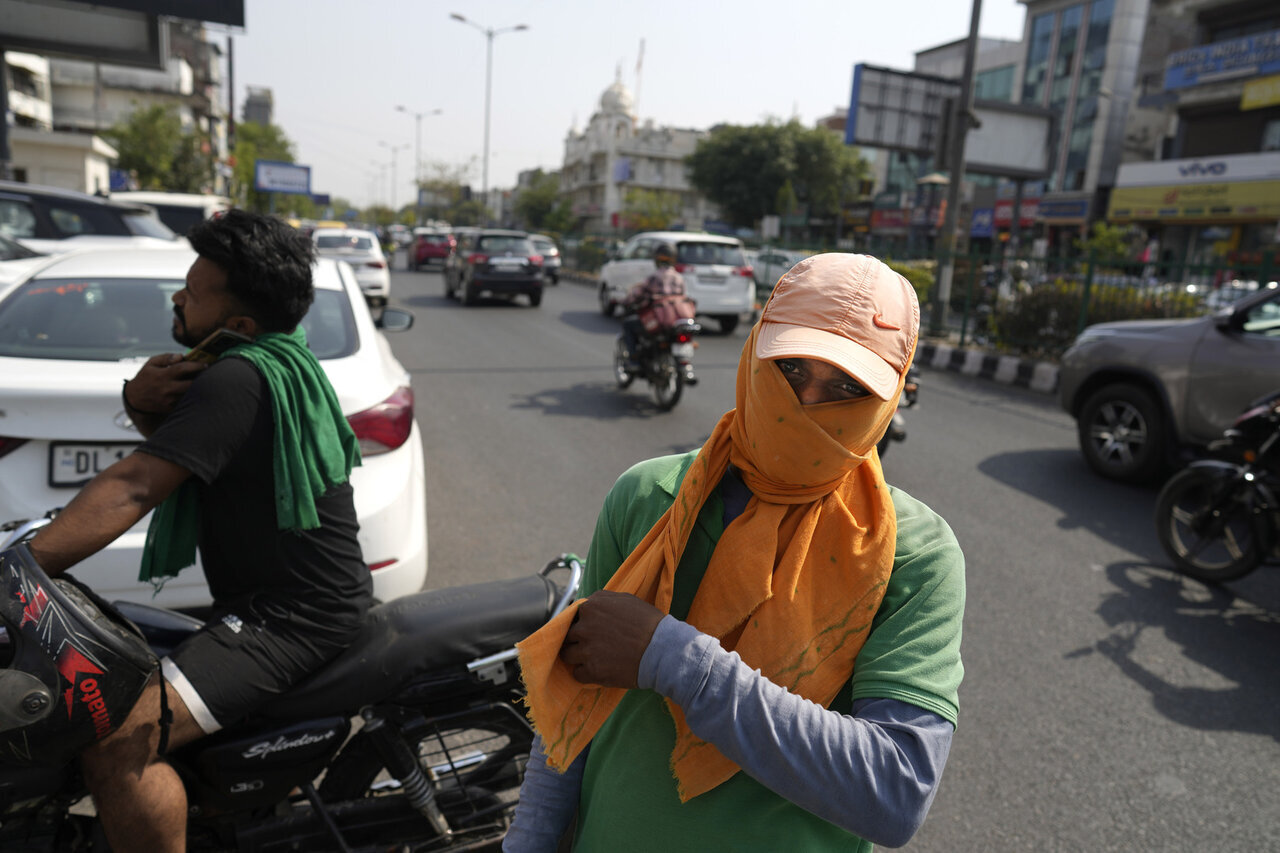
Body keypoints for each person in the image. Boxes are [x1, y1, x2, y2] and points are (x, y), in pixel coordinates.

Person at [507, 253, 965, 852]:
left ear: (889, 400)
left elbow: (895, 792)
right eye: (792, 369)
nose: (804, 405)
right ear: (754, 353)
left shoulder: (912, 555)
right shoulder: (649, 499)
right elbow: (571, 714)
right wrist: (528, 841)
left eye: (846, 389)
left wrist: (673, 658)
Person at [27, 209, 370, 853]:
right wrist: (139, 402)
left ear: (239, 324)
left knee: (118, 739)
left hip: (289, 621)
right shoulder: (280, 362)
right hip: (280, 606)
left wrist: (20, 565)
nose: (179, 296)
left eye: (194, 289)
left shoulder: (236, 379)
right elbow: (199, 460)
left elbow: (135, 485)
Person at [619, 241, 697, 385]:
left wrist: (625, 301)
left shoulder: (654, 277)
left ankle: (634, 360)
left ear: (657, 259)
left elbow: (636, 295)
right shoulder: (679, 278)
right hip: (676, 322)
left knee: (628, 325)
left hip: (658, 322)